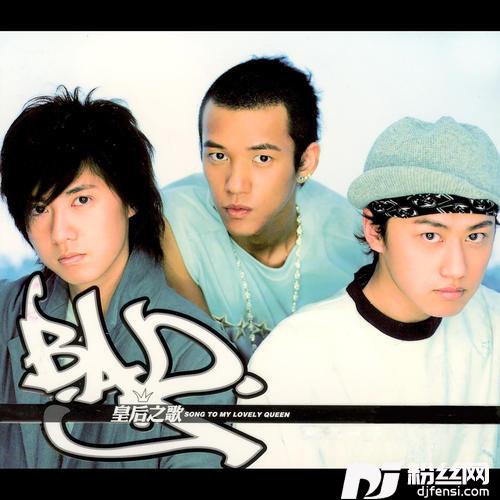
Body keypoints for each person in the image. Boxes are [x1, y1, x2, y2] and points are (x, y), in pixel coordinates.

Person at [235, 116, 500, 467]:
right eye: (431, 235)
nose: (457, 267)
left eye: (476, 236)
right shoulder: (295, 357)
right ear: (375, 231)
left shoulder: (493, 323)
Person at [0, 87, 235, 468]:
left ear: (131, 200)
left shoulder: (194, 351)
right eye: (40, 208)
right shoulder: (7, 314)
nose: (60, 232)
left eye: (81, 200)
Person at [161, 56, 368, 361]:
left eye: (262, 159)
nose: (235, 185)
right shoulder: (171, 219)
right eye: (218, 156)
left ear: (305, 162)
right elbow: (203, 362)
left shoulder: (357, 243)